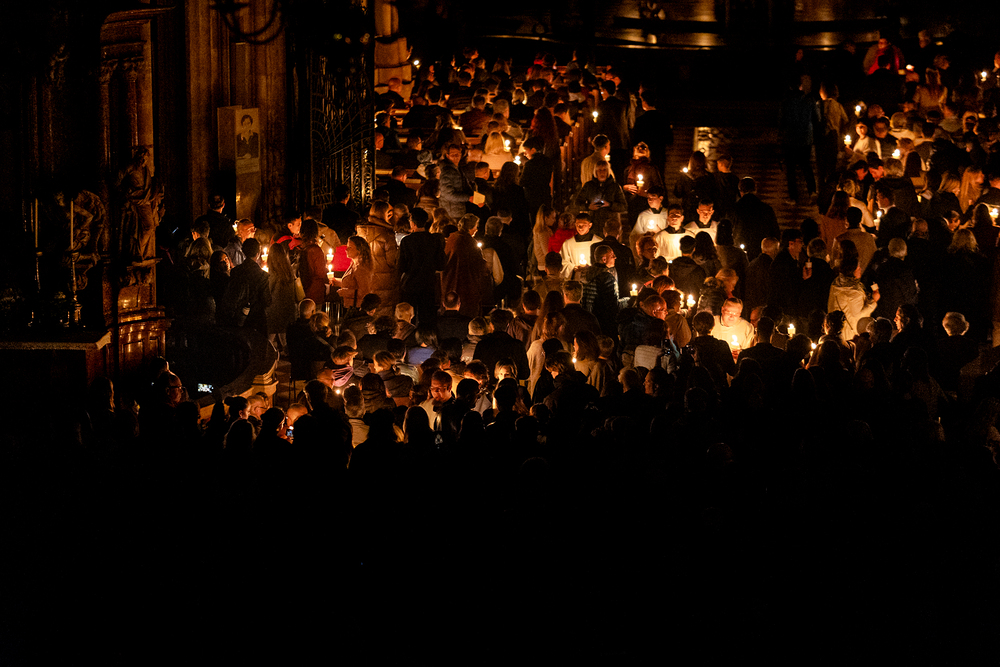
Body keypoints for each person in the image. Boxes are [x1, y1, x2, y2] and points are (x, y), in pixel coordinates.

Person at [398, 208, 445, 326]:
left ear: (413, 223)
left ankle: (409, 335)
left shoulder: (407, 241)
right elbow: (441, 264)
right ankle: (427, 336)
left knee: (409, 317)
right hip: (428, 283)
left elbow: (401, 265)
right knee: (427, 317)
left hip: (411, 283)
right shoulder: (435, 240)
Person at [355, 200, 399, 316]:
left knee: (368, 313)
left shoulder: (361, 233)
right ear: (384, 214)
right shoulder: (387, 235)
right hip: (384, 282)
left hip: (365, 280)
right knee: (383, 313)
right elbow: (392, 261)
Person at [443, 214, 490, 318]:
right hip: (466, 285)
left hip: (450, 281)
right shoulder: (470, 242)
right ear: (470, 227)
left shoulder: (452, 238)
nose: (476, 229)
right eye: (475, 226)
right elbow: (479, 265)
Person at [572, 160, 627, 237]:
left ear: (608, 172)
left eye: (604, 170)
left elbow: (623, 206)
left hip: (610, 226)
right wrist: (588, 207)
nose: (602, 172)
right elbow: (577, 204)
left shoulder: (615, 187)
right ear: (596, 172)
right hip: (593, 224)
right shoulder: (588, 186)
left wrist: (610, 204)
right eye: (599, 170)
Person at [828, 254, 879, 339]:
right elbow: (858, 317)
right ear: (852, 272)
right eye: (858, 268)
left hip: (836, 331)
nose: (860, 269)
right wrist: (874, 301)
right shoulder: (853, 293)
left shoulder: (836, 284)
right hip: (849, 334)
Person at [732, 177, 780, 261]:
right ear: (755, 190)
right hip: (762, 251)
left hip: (740, 252)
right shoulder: (766, 209)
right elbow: (775, 232)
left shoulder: (734, 209)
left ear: (740, 191)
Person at [265, 241, 296, 352]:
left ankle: (269, 355)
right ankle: (287, 352)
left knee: (271, 335)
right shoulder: (289, 272)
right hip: (287, 308)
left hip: (274, 309)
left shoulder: (273, 274)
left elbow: (268, 291)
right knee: (283, 334)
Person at [560, 213, 604, 280]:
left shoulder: (599, 242)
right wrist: (574, 268)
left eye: (584, 225)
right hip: (576, 278)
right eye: (578, 225)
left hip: (593, 278)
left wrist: (590, 268)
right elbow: (563, 262)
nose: (580, 227)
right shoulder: (568, 244)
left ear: (590, 225)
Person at [334, 235, 374, 309]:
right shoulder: (353, 264)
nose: (346, 250)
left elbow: (364, 291)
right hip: (350, 305)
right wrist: (336, 281)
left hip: (357, 307)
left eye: (350, 247)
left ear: (359, 250)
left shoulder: (361, 268)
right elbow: (351, 284)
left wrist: (344, 292)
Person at [297, 218, 328, 308]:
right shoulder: (315, 250)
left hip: (303, 290)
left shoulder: (302, 248)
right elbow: (320, 272)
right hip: (315, 291)